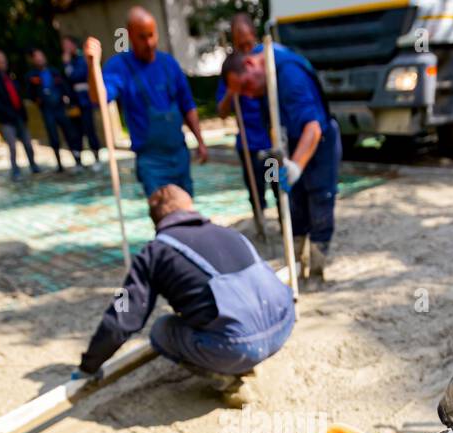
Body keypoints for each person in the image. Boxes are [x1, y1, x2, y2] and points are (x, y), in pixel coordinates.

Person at [75, 185, 294, 407]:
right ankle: (246, 356)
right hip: (284, 325)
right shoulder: (231, 233)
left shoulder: (153, 253)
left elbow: (122, 315)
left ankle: (228, 379)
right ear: (190, 207)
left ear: (155, 221)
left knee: (162, 330)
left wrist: (89, 366)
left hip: (239, 346)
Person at [222, 41, 340, 284]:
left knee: (319, 203)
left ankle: (316, 271)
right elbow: (274, 130)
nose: (248, 95)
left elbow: (313, 129)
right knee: (294, 205)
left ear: (250, 64)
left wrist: (295, 167)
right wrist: (278, 169)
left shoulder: (287, 75)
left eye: (246, 86)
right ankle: (295, 264)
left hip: (318, 147)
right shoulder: (264, 79)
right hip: (290, 145)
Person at [84, 6, 208, 197]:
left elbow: (188, 106)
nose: (149, 42)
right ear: (130, 36)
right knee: (164, 213)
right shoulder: (120, 67)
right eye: (142, 37)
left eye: (152, 35)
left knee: (188, 213)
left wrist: (200, 141)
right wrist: (93, 66)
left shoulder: (169, 64)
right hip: (151, 161)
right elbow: (98, 98)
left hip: (179, 153)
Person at [216, 13, 273, 217]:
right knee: (256, 191)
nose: (246, 50)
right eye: (241, 46)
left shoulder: (264, 60)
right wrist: (233, 91)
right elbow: (221, 112)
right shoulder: (232, 68)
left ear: (254, 35)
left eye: (248, 43)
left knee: (278, 183)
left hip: (271, 141)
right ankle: (260, 222)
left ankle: (287, 223)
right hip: (248, 144)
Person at [0, 49, 43, 181]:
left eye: (3, 58)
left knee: (27, 142)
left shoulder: (10, 74)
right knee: (12, 145)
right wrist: (4, 110)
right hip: (6, 118)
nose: (2, 61)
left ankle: (33, 165)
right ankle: (15, 170)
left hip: (19, 115)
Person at [24, 46, 80, 171]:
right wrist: (38, 100)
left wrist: (68, 100)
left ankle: (77, 160)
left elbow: (64, 86)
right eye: (37, 57)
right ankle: (59, 164)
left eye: (41, 56)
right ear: (33, 60)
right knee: (53, 136)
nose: (40, 59)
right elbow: (29, 93)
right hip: (47, 109)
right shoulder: (31, 76)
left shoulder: (54, 71)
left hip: (60, 107)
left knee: (70, 133)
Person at [60, 35, 101, 163]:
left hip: (85, 101)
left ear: (73, 45)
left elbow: (76, 76)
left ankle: (96, 157)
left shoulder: (81, 59)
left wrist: (67, 65)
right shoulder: (66, 61)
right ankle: (78, 160)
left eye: (67, 44)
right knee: (75, 133)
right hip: (73, 102)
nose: (65, 48)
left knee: (89, 129)